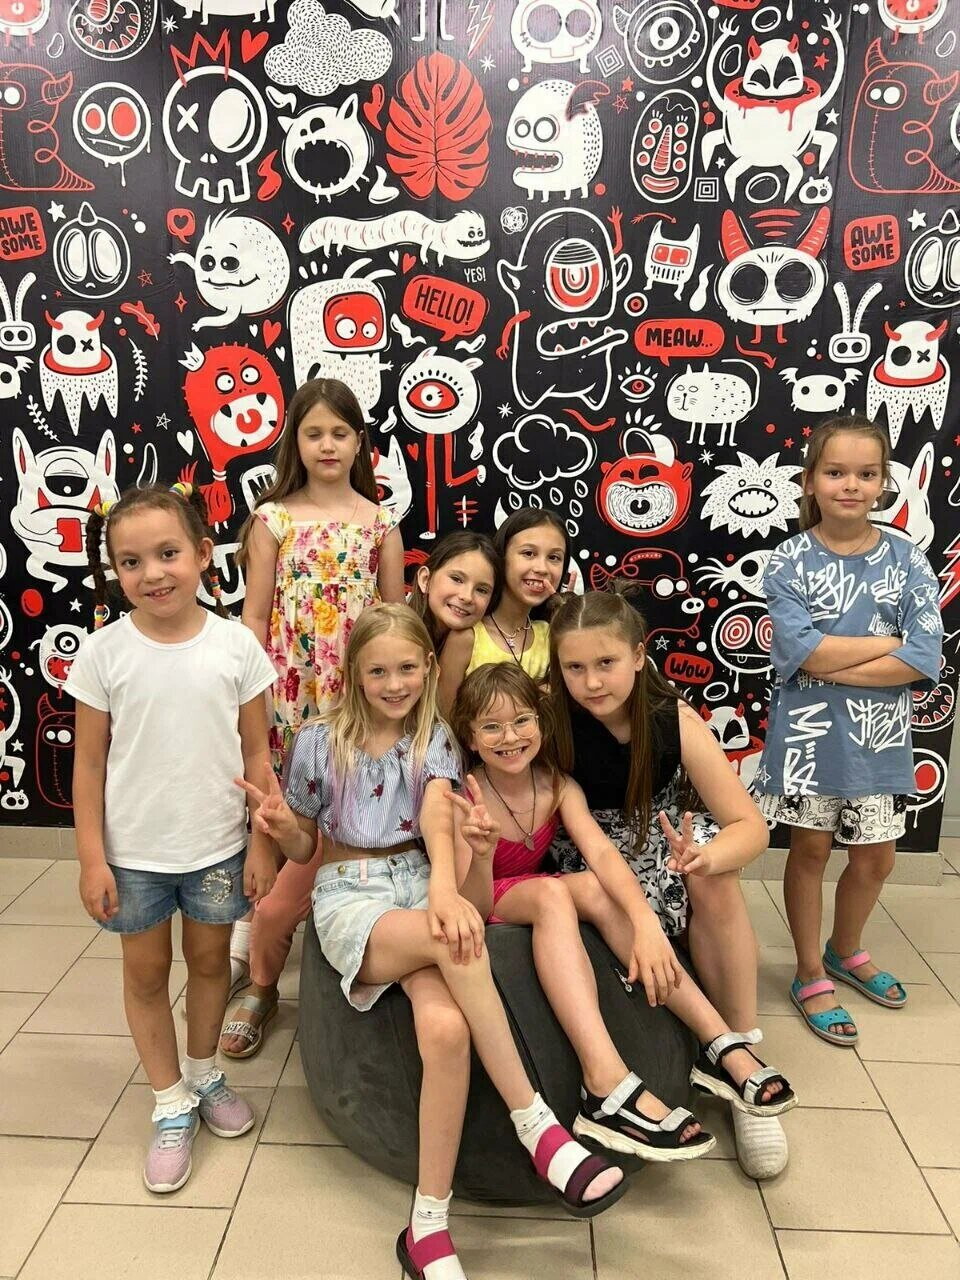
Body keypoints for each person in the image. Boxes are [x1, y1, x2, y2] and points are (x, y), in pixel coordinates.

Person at [238, 605, 627, 1280]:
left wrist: (444, 890)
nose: (395, 684)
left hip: (417, 881)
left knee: (446, 1030)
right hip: (351, 892)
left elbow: (436, 823)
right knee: (456, 943)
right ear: (354, 672)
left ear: (426, 666)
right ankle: (536, 1125)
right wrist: (281, 827)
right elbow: (305, 846)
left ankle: (427, 1224)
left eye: (407, 669)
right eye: (378, 672)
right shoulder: (317, 740)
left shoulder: (435, 739)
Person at [68, 482, 277, 1193]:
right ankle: (169, 1100)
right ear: (115, 571)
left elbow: (257, 753)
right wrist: (91, 859)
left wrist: (259, 842)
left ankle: (204, 1072)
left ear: (203, 554)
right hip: (133, 857)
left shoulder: (236, 645)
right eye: (131, 562)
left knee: (212, 963)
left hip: (217, 847)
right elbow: (89, 765)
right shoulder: (103, 654)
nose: (152, 573)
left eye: (167, 553)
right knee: (146, 974)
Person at [549, 590, 795, 1179]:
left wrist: (708, 859)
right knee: (601, 892)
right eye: (575, 667)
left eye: (606, 663)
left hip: (659, 841)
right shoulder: (548, 719)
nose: (591, 682)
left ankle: (739, 1052)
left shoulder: (673, 719)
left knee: (716, 877)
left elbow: (749, 827)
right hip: (582, 853)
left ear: (638, 656)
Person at [220, 378, 405, 1059]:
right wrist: (247, 693)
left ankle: (330, 915)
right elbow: (254, 615)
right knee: (280, 811)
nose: (328, 445)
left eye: (340, 433)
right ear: (295, 442)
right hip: (289, 692)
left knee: (348, 806)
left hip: (357, 700)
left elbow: (395, 622)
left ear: (360, 443)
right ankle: (260, 960)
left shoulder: (380, 525)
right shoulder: (273, 520)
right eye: (314, 432)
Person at [754, 415, 942, 1048]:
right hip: (810, 739)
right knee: (809, 852)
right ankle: (810, 971)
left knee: (876, 858)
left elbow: (925, 656)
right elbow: (799, 651)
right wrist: (886, 646)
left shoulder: (907, 560)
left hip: (880, 743)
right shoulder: (788, 561)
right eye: (836, 472)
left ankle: (845, 948)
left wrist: (831, 661)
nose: (851, 485)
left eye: (866, 474)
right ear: (810, 481)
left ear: (883, 483)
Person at [437, 508, 568, 714]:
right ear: (502, 556)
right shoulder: (467, 638)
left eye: (554, 557)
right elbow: (445, 719)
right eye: (528, 553)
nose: (542, 568)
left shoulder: (550, 636)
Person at [408, 529, 501, 657]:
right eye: (457, 579)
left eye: (481, 590)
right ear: (425, 579)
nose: (467, 597)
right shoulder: (395, 635)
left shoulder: (482, 648)